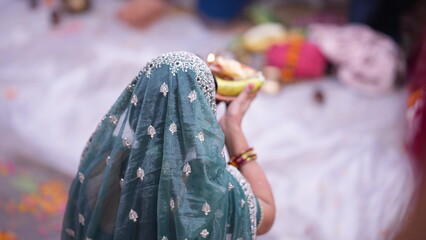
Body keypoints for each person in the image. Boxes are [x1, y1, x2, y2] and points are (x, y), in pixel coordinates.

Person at [61, 51, 275, 239]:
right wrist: (233, 126)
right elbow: (267, 212)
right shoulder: (208, 187)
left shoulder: (103, 163)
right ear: (202, 122)